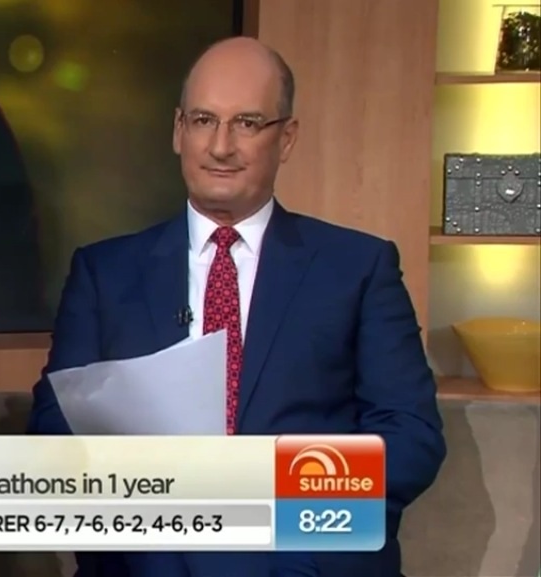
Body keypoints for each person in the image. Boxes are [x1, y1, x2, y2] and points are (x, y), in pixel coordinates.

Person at [27, 37, 446, 577]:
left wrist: (272, 510)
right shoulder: (103, 274)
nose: (220, 146)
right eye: (204, 120)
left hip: (304, 562)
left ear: (286, 138)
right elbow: (57, 431)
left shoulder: (357, 268)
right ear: (178, 131)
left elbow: (409, 438)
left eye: (247, 123)